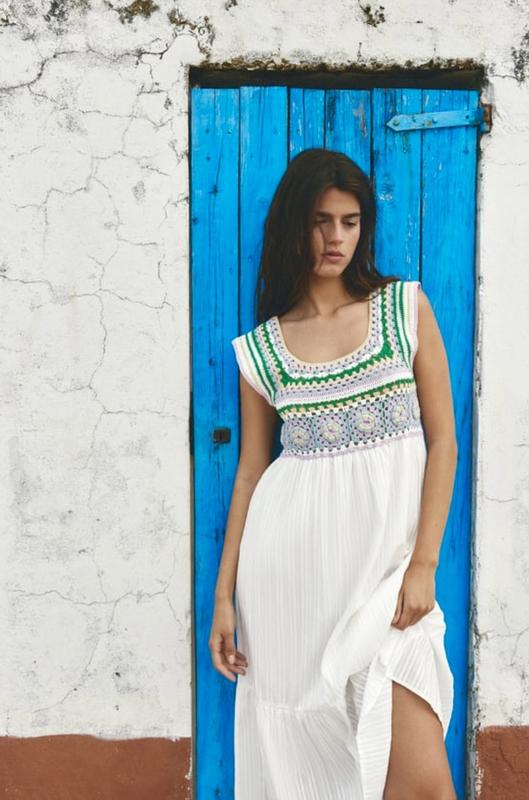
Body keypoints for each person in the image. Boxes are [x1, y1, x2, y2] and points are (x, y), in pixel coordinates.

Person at [209, 148, 458, 799]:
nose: (335, 238)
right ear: (295, 226)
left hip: (387, 579)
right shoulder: (264, 349)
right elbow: (250, 473)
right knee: (311, 771)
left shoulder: (402, 308)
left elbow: (444, 443)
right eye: (320, 221)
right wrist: (223, 597)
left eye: (350, 222)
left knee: (425, 787)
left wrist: (424, 564)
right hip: (292, 584)